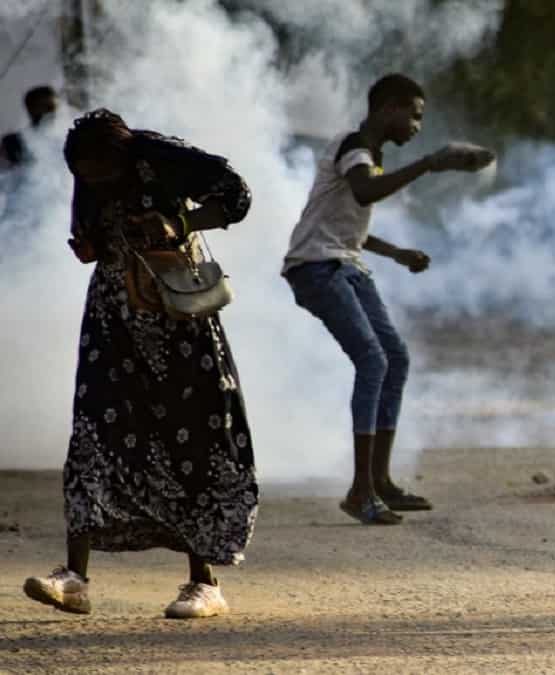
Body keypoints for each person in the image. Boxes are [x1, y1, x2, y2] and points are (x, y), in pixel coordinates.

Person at [23, 109, 257, 619]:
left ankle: (204, 583)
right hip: (113, 322)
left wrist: (181, 222)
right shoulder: (87, 175)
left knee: (193, 438)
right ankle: (74, 578)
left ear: (123, 156)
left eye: (104, 173)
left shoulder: (164, 159)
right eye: (88, 177)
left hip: (177, 319)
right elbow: (92, 236)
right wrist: (89, 245)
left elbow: (236, 197)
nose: (97, 183)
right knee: (92, 435)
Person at [282, 73, 494, 525]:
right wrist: (429, 164)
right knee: (373, 360)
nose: (417, 126)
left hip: (344, 263)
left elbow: (346, 224)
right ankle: (361, 489)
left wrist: (396, 253)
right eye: (413, 116)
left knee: (394, 358)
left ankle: (379, 481)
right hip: (316, 267)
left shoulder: (369, 155)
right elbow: (365, 192)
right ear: (387, 109)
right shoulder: (354, 147)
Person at [2, 85, 60, 166]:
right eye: (48, 107)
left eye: (54, 107)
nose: (53, 112)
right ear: (32, 109)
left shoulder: (67, 138)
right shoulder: (14, 142)